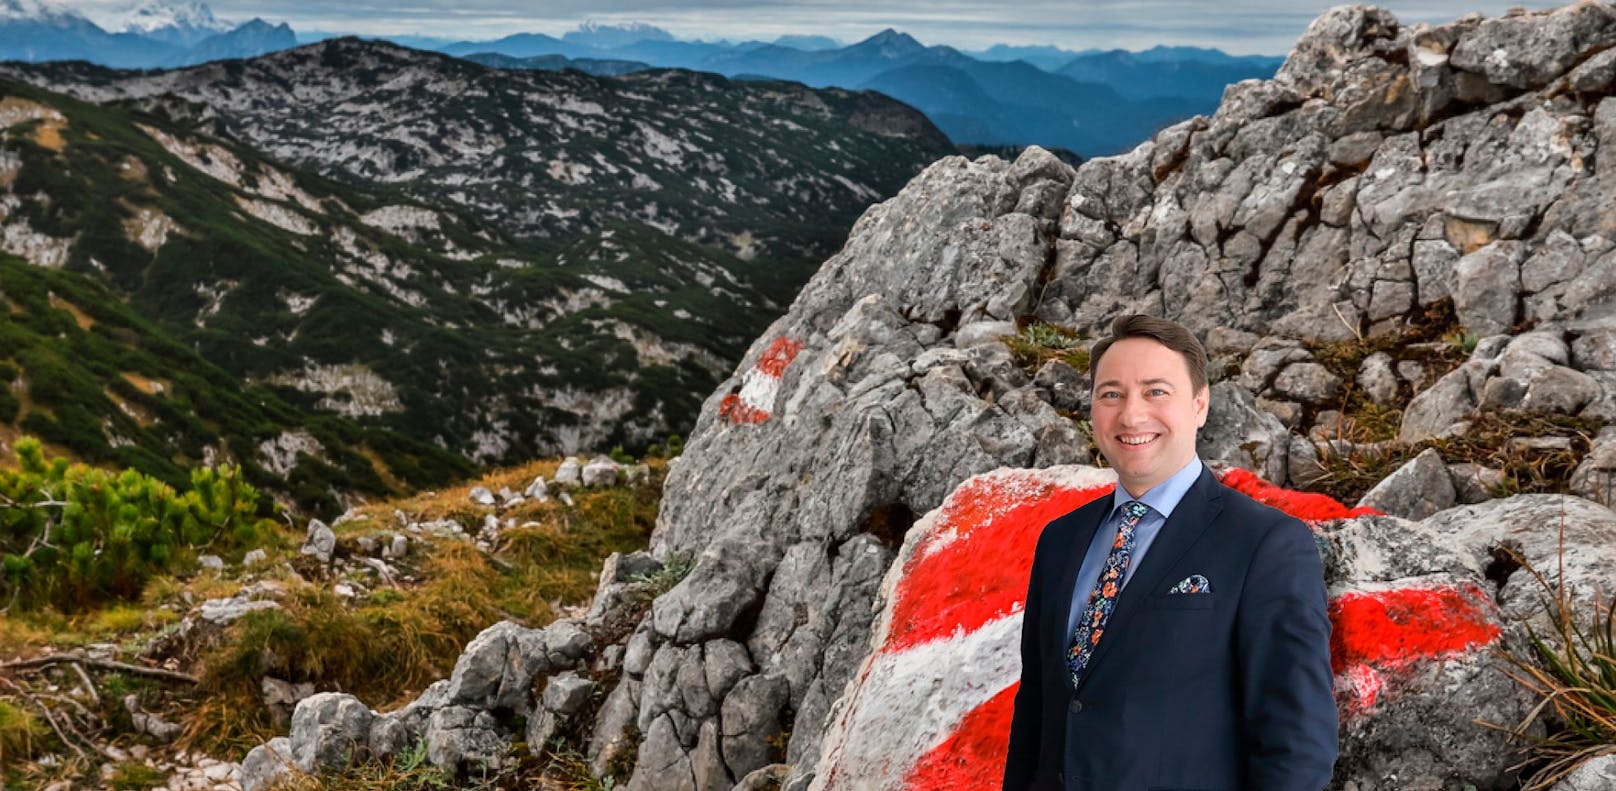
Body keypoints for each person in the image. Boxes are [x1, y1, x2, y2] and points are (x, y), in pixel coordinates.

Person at [1003, 314, 1337, 791]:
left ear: (1200, 405)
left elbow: (1298, 744)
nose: (1131, 415)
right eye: (1111, 394)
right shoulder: (1060, 539)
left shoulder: (1267, 544)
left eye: (1156, 391)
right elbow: (1035, 710)